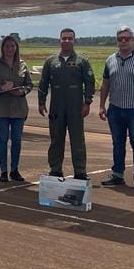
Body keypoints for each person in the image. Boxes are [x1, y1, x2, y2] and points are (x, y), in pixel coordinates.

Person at [97, 25, 134, 189]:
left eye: (126, 39)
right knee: (117, 143)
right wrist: (102, 105)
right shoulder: (110, 60)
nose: (123, 42)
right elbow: (105, 84)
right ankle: (117, 174)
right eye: (120, 39)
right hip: (115, 108)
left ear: (132, 40)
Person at [37, 28, 95, 180]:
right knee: (56, 139)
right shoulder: (51, 61)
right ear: (60, 40)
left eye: (70, 38)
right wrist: (41, 102)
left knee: (77, 140)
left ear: (74, 40)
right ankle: (55, 169)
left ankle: (80, 171)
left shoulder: (82, 61)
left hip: (75, 107)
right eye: (64, 38)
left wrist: (87, 102)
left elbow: (90, 82)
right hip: (56, 106)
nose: (67, 41)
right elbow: (43, 83)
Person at [0, 33, 32, 182]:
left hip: (18, 108)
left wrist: (21, 92)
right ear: (2, 48)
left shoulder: (23, 65)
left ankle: (14, 170)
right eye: (7, 46)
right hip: (1, 109)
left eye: (12, 46)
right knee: (2, 140)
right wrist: (2, 87)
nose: (10, 49)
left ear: (16, 48)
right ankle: (3, 171)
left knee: (16, 140)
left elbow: (29, 84)